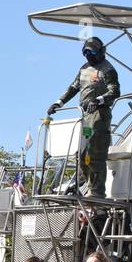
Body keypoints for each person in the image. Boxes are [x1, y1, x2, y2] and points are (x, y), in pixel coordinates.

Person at [47, 36, 120, 197]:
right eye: (86, 53)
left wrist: (99, 100)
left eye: (92, 52)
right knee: (83, 154)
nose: (89, 56)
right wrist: (58, 103)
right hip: (86, 118)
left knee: (96, 152)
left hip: (99, 117)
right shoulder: (84, 69)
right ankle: (88, 186)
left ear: (101, 52)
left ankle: (97, 191)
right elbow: (73, 88)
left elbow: (114, 91)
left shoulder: (107, 70)